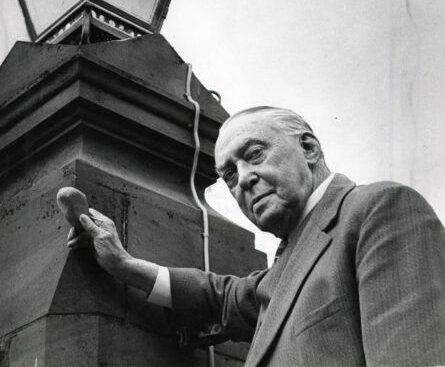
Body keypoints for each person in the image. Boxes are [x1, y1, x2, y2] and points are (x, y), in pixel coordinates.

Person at [67, 106, 445, 366]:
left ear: (309, 148)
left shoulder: (378, 209)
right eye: (229, 175)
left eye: (255, 154)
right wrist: (123, 264)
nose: (244, 178)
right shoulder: (286, 263)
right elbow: (219, 296)